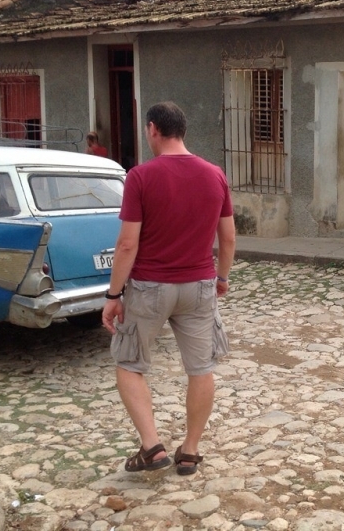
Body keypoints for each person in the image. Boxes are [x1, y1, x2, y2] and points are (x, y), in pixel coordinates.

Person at [102, 101, 236, 476]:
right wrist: (221, 278)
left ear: (152, 130)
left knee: (129, 363)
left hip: (150, 287)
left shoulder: (141, 177)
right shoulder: (215, 175)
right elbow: (227, 238)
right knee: (201, 368)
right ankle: (190, 451)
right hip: (199, 285)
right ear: (183, 131)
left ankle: (152, 447)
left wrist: (113, 296)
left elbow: (127, 245)